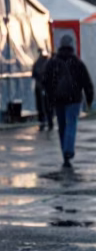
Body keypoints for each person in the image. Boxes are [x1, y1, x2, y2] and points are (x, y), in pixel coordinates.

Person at [43, 34, 94, 168]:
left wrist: (49, 97)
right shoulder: (77, 63)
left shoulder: (52, 63)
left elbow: (46, 81)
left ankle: (64, 154)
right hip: (74, 99)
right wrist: (89, 99)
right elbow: (87, 82)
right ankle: (68, 149)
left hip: (58, 99)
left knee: (62, 126)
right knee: (71, 124)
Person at [32, 48, 54, 131]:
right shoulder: (49, 62)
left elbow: (34, 74)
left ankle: (43, 122)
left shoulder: (38, 63)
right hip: (46, 87)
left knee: (41, 105)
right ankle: (49, 121)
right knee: (47, 105)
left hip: (40, 86)